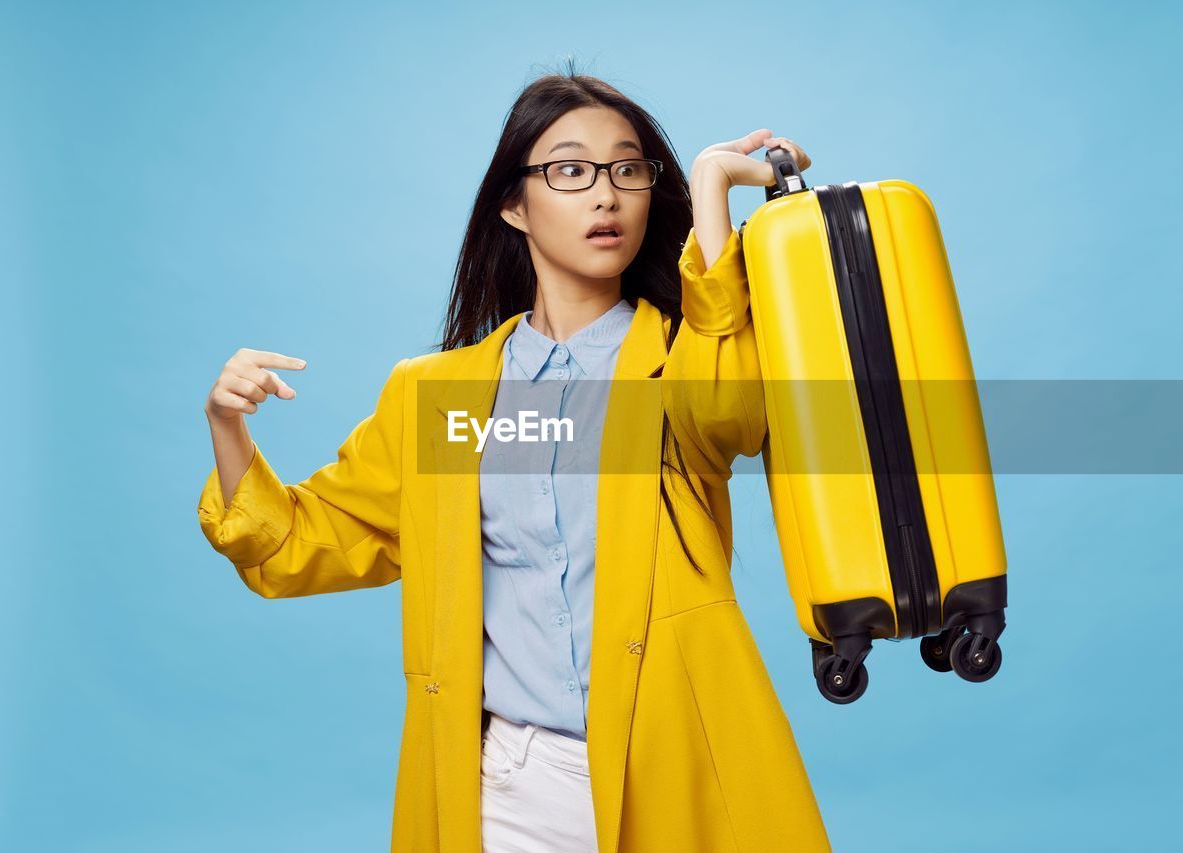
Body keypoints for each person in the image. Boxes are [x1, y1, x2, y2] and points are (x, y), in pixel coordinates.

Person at [197, 67, 830, 853]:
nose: (605, 195)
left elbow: (732, 414)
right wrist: (228, 426)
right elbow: (293, 546)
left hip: (675, 764)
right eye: (570, 171)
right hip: (507, 789)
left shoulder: (677, 357)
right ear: (513, 204)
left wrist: (712, 192)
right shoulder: (443, 400)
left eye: (627, 169)